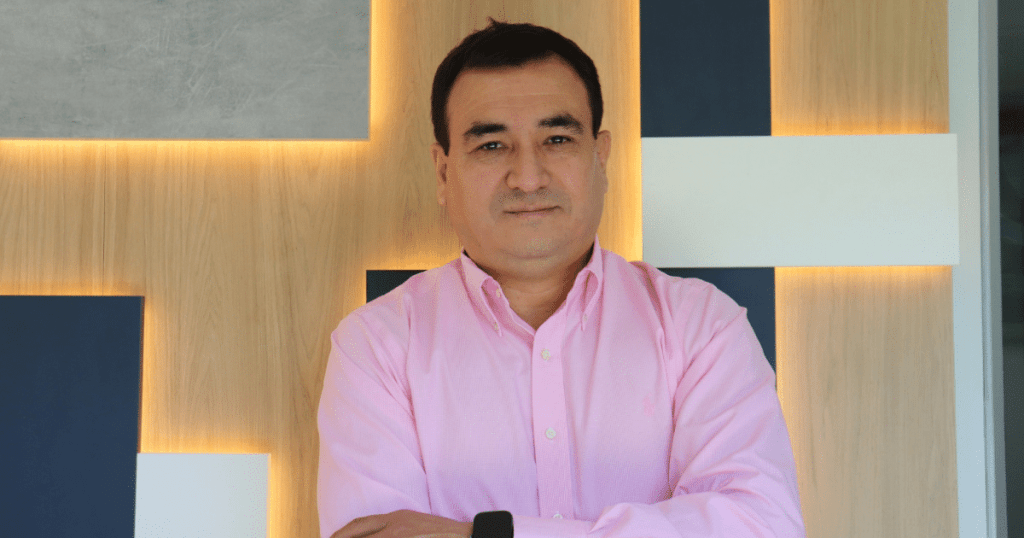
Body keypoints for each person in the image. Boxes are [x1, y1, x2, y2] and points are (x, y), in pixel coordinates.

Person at [317, 20, 805, 538]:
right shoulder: (377, 347)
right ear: (443, 173)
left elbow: (762, 526)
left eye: (556, 139)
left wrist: (484, 535)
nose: (528, 178)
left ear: (600, 157)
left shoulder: (701, 327)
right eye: (491, 146)